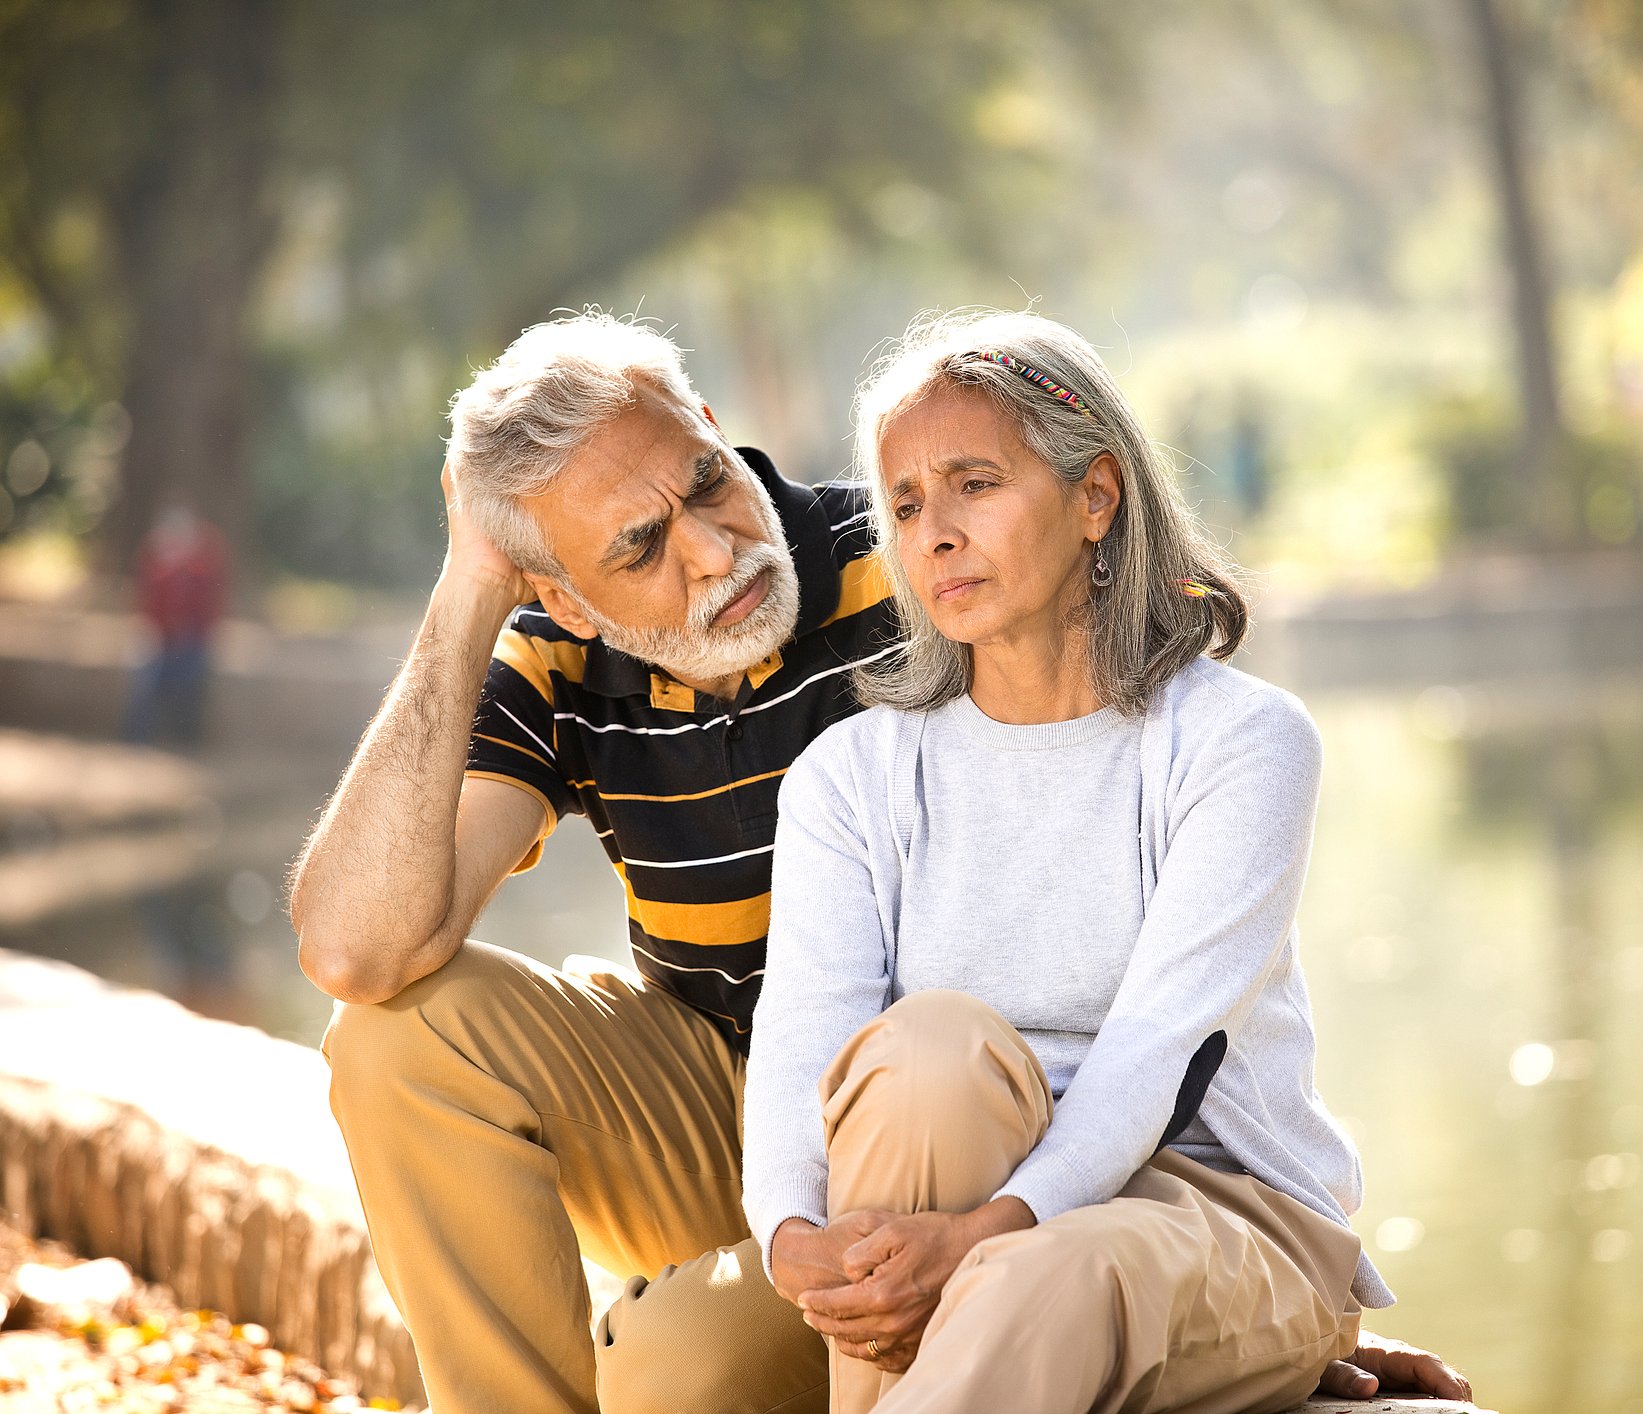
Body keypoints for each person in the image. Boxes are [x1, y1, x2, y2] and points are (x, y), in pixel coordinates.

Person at [294, 312, 1459, 1414]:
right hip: (777, 1123)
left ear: (709, 417)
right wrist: (466, 593)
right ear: (560, 593)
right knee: (401, 1042)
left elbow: (1172, 990)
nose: (715, 550)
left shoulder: (926, 572)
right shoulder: (576, 664)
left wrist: (1266, 1301)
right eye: (642, 548)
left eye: (706, 476)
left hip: (997, 1123)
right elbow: (357, 946)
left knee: (859, 1182)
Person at [121, 502, 228, 747]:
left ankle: (186, 738)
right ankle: (136, 738)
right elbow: (149, 605)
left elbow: (208, 608)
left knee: (192, 678)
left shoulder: (203, 564)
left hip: (192, 640)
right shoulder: (158, 561)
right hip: (161, 638)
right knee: (146, 677)